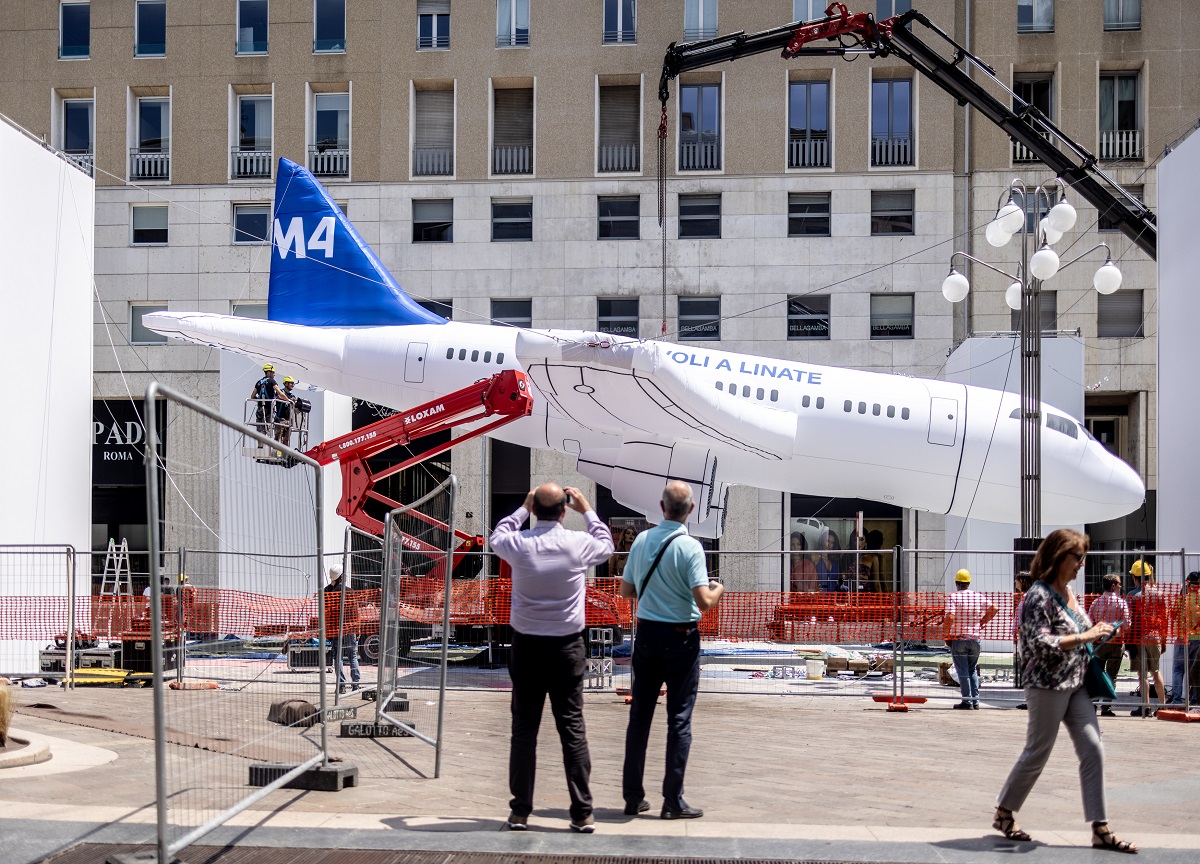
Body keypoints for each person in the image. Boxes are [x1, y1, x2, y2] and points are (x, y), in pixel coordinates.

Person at [994, 528, 1137, 853]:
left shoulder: (1070, 593)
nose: (1081, 564)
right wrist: (1088, 636)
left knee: (1093, 749)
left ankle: (1101, 829)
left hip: (1076, 683)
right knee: (1038, 752)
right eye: (1077, 557)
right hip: (1046, 685)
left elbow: (1083, 630)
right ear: (1059, 557)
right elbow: (1041, 642)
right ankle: (1004, 812)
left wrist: (1101, 631)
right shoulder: (1037, 597)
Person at [489, 483, 613, 834]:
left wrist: (521, 508)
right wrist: (587, 509)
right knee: (572, 727)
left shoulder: (519, 545)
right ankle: (582, 811)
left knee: (524, 731)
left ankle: (520, 811)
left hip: (527, 646)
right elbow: (607, 545)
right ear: (564, 511)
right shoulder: (576, 544)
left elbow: (498, 535)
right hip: (566, 647)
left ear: (534, 508)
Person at [619, 480, 725, 821]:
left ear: (661, 507)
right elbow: (703, 601)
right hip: (681, 639)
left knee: (640, 719)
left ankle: (633, 797)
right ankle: (672, 801)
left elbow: (626, 591)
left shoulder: (641, 540)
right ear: (691, 510)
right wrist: (718, 589)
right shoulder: (691, 548)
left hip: (647, 635)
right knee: (679, 719)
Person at [944, 569, 998, 709]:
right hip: (975, 638)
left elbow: (950, 617)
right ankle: (975, 701)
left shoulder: (953, 597)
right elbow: (994, 608)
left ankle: (967, 701)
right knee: (972, 669)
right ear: (968, 583)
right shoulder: (977, 596)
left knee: (962, 670)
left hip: (959, 638)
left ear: (957, 583)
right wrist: (981, 622)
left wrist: (946, 635)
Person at [1126, 559, 1166, 717]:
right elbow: (1164, 619)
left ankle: (1146, 706)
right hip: (1155, 636)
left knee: (1142, 674)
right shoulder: (1160, 594)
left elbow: (1128, 619)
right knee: (1156, 673)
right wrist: (1162, 641)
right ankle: (1163, 707)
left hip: (1138, 637)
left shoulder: (1131, 596)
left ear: (1135, 577)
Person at [1087, 574, 1130, 717]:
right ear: (1113, 585)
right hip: (1116, 644)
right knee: (1112, 676)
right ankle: (1106, 706)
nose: (1120, 586)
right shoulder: (1121, 603)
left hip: (1098, 643)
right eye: (1119, 583)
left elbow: (1089, 622)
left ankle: (1092, 704)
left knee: (1096, 674)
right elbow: (1127, 624)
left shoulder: (1096, 602)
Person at [323, 564, 360, 693]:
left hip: (335, 630)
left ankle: (341, 685)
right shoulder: (349, 591)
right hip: (350, 629)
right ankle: (356, 684)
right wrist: (358, 628)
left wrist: (327, 631)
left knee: (338, 657)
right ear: (341, 577)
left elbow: (325, 614)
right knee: (352, 656)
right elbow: (355, 612)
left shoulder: (326, 592)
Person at [1173, 571, 1200, 705]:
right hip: (1197, 638)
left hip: (1182, 637)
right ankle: (1195, 699)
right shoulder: (1198, 599)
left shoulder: (1182, 598)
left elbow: (1172, 614)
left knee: (1178, 670)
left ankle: (1177, 700)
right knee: (1195, 669)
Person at [250, 363, 285, 434]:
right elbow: (280, 393)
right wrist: (289, 400)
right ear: (268, 372)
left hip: (260, 409)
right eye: (273, 372)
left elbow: (252, 396)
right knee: (266, 428)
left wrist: (260, 401)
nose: (274, 374)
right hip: (268, 409)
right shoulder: (272, 381)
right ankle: (265, 443)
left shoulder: (259, 382)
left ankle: (260, 445)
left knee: (260, 430)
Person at [274, 376, 298, 445]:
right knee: (277, 437)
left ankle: (285, 454)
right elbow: (279, 397)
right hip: (280, 418)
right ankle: (275, 452)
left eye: (293, 384)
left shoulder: (292, 395)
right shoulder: (281, 392)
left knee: (286, 439)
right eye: (291, 383)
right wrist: (289, 400)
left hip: (288, 420)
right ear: (286, 383)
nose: (292, 385)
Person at [814, 527, 840, 592]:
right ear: (822, 541)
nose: (829, 545)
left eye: (832, 542)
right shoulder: (815, 557)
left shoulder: (834, 561)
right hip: (819, 596)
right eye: (827, 541)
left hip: (833, 597)